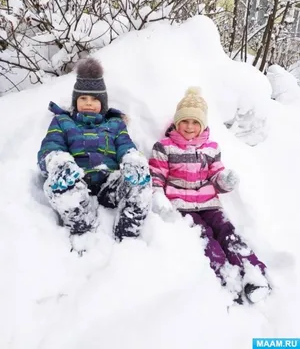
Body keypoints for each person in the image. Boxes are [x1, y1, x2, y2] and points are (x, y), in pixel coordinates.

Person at [149, 87, 271, 304]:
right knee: (205, 237)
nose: (189, 127)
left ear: (202, 125)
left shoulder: (211, 148)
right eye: (185, 121)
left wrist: (225, 182)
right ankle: (227, 277)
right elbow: (157, 175)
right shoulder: (164, 147)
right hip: (182, 205)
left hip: (209, 203)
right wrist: (158, 195)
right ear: (177, 122)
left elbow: (216, 175)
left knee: (227, 232)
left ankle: (253, 274)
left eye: (195, 122)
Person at [38, 58, 151, 250]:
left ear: (103, 103)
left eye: (94, 99)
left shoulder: (115, 124)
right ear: (76, 101)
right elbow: (51, 146)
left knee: (141, 182)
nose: (88, 103)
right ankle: (82, 228)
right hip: (77, 182)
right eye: (83, 98)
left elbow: (125, 146)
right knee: (56, 184)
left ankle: (128, 232)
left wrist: (132, 160)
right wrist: (57, 162)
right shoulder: (62, 122)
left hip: (110, 183)